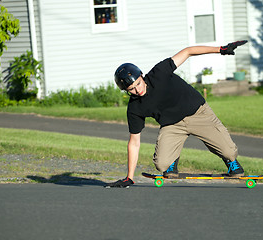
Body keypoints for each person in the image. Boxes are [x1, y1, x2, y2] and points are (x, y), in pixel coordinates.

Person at [105, 40, 248, 188]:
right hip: (172, 125)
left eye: (138, 84)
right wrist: (129, 177)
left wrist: (220, 49)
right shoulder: (135, 108)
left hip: (198, 114)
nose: (138, 90)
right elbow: (134, 143)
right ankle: (172, 162)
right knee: (161, 164)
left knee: (229, 151)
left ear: (142, 75)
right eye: (132, 89)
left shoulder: (159, 73)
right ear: (126, 91)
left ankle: (230, 162)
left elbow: (188, 51)